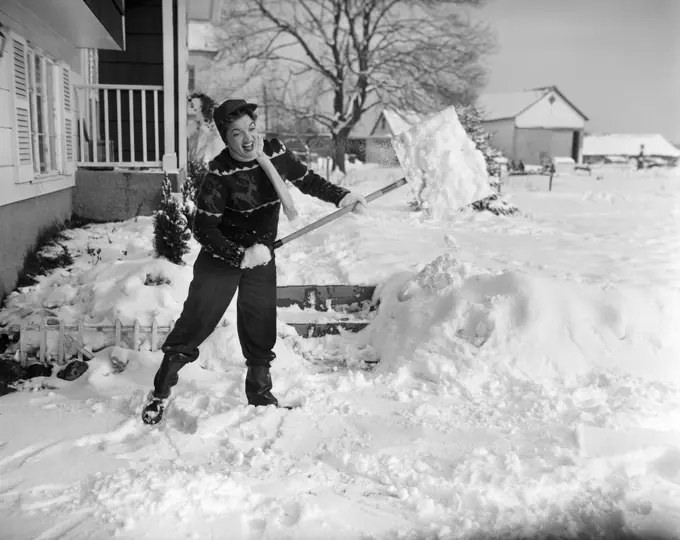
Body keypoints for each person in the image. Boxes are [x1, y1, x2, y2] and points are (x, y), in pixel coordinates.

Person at [141, 98, 367, 425]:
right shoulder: (220, 174)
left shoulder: (273, 153)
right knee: (197, 321)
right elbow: (203, 228)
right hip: (222, 258)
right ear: (225, 137)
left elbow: (308, 180)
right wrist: (239, 254)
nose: (247, 138)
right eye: (236, 133)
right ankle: (160, 392)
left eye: (251, 128)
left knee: (259, 320)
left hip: (262, 255)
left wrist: (341, 196)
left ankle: (260, 396)